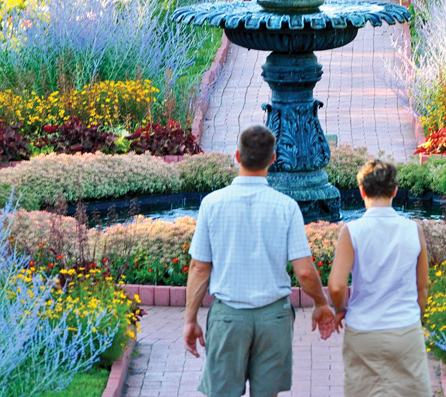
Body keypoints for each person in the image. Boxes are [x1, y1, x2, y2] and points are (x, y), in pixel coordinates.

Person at [184, 125, 337, 397]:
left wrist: (190, 319)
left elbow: (199, 267)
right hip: (273, 318)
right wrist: (321, 303)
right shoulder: (286, 206)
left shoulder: (212, 204)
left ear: (237, 156)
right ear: (273, 159)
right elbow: (303, 271)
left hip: (228, 316)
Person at [328, 159, 431, 397]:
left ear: (362, 190)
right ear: (395, 190)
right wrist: (416, 317)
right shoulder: (413, 230)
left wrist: (341, 307)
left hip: (363, 331)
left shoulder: (351, 232)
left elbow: (336, 285)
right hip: (405, 329)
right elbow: (422, 288)